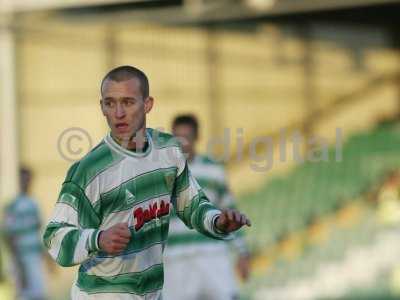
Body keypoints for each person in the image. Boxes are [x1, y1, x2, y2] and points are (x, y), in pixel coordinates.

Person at [42, 65, 251, 300]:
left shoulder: (168, 150)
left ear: (148, 104)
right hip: (104, 293)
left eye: (128, 102)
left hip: (152, 292)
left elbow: (192, 206)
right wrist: (97, 239)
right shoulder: (89, 170)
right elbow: (54, 236)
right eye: (110, 103)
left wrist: (217, 221)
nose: (119, 113)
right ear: (102, 107)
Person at [163, 115, 251, 300]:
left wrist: (242, 253)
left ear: (197, 138)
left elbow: (230, 212)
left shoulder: (214, 171)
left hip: (211, 255)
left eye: (187, 137)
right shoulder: (160, 173)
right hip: (176, 260)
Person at [3, 167, 47, 300]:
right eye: (23, 179)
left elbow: (38, 233)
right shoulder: (12, 204)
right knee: (24, 295)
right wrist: (18, 264)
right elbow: (8, 236)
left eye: (28, 179)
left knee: (39, 295)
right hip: (21, 259)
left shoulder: (34, 203)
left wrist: (46, 257)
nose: (26, 182)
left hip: (35, 258)